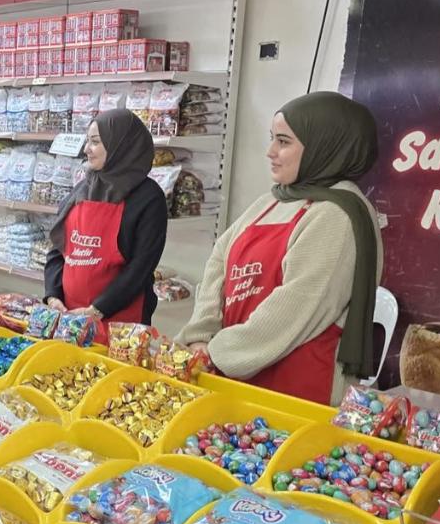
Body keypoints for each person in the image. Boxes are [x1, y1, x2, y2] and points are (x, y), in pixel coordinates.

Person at [176, 91, 383, 405]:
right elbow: (220, 258)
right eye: (272, 139)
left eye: (284, 142)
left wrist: (217, 352)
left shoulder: (337, 215)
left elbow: (296, 306)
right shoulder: (275, 200)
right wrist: (201, 334)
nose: (270, 152)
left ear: (324, 145)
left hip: (296, 388)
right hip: (236, 371)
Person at [44, 108, 168, 343]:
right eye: (87, 141)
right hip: (71, 319)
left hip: (120, 322)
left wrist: (97, 309)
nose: (86, 149)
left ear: (121, 144)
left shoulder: (149, 198)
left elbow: (141, 267)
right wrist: (53, 295)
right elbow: (58, 250)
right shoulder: (82, 189)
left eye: (95, 142)